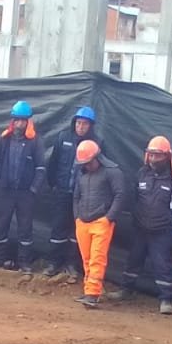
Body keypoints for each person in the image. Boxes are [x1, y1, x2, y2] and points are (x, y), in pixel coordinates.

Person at [113, 135, 172, 313]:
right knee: (133, 260)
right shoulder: (141, 174)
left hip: (163, 231)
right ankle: (126, 289)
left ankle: (166, 299)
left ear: (167, 157)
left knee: (162, 265)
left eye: (157, 155)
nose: (153, 159)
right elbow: (135, 199)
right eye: (151, 155)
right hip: (140, 227)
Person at [0, 100, 46, 274]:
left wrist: (33, 189)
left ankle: (25, 262)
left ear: (28, 121)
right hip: (6, 191)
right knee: (1, 225)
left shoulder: (35, 142)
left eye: (23, 120)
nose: (20, 123)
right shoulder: (4, 139)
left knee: (25, 228)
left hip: (25, 194)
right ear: (13, 120)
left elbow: (41, 168)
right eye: (17, 120)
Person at [45, 106, 101, 279]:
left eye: (84, 124)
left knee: (78, 232)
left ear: (90, 126)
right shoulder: (63, 138)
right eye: (78, 123)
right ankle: (54, 263)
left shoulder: (96, 144)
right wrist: (53, 184)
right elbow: (53, 163)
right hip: (62, 191)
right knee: (58, 229)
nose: (80, 127)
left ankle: (72, 265)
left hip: (82, 196)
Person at [72, 140, 125, 308]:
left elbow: (120, 195)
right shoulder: (82, 173)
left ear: (97, 158)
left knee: (97, 258)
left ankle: (93, 294)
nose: (86, 166)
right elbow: (76, 196)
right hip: (83, 222)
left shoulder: (112, 172)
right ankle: (91, 290)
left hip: (101, 221)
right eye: (84, 163)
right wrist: (77, 217)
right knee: (87, 258)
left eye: (88, 162)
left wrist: (109, 218)